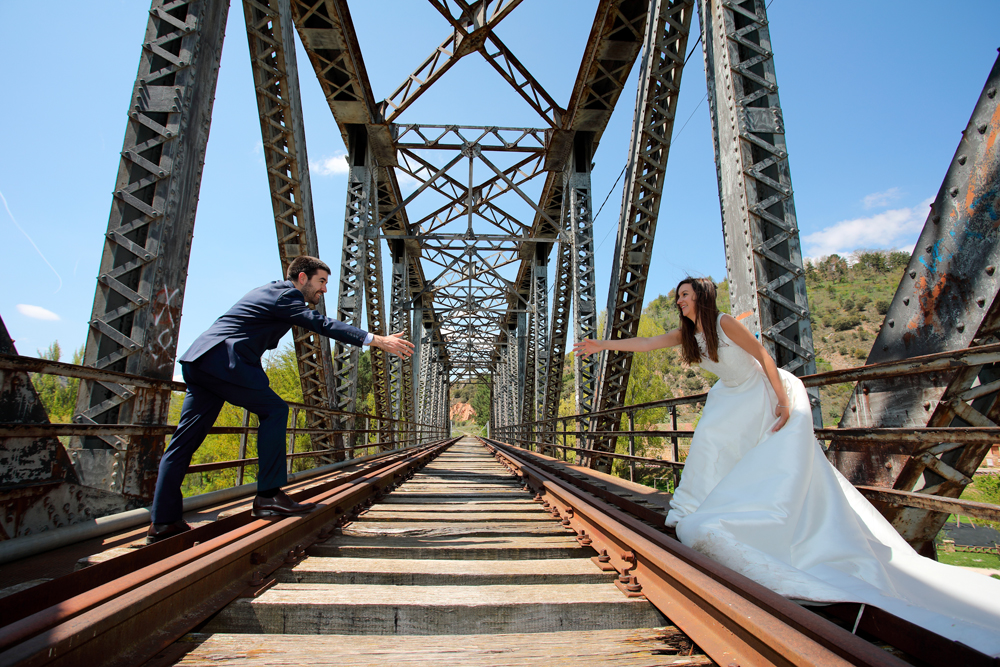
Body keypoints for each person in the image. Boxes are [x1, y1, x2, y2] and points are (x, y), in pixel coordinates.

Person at [573, 276, 1000, 657]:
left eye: (684, 295)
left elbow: (762, 355)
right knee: (710, 444)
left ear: (700, 296)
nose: (678, 302)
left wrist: (782, 399)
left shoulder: (722, 323)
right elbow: (645, 344)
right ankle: (700, 504)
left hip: (760, 393)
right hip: (729, 397)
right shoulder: (688, 333)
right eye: (677, 297)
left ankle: (761, 515)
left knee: (762, 460)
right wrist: (600, 345)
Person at [146, 256, 414, 544]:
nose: (324, 290)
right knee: (275, 410)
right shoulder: (285, 294)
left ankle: (164, 522)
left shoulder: (269, 291)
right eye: (321, 282)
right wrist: (375, 339)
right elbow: (319, 323)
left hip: (199, 361)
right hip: (224, 361)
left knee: (184, 442)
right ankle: (269, 496)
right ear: (302, 278)